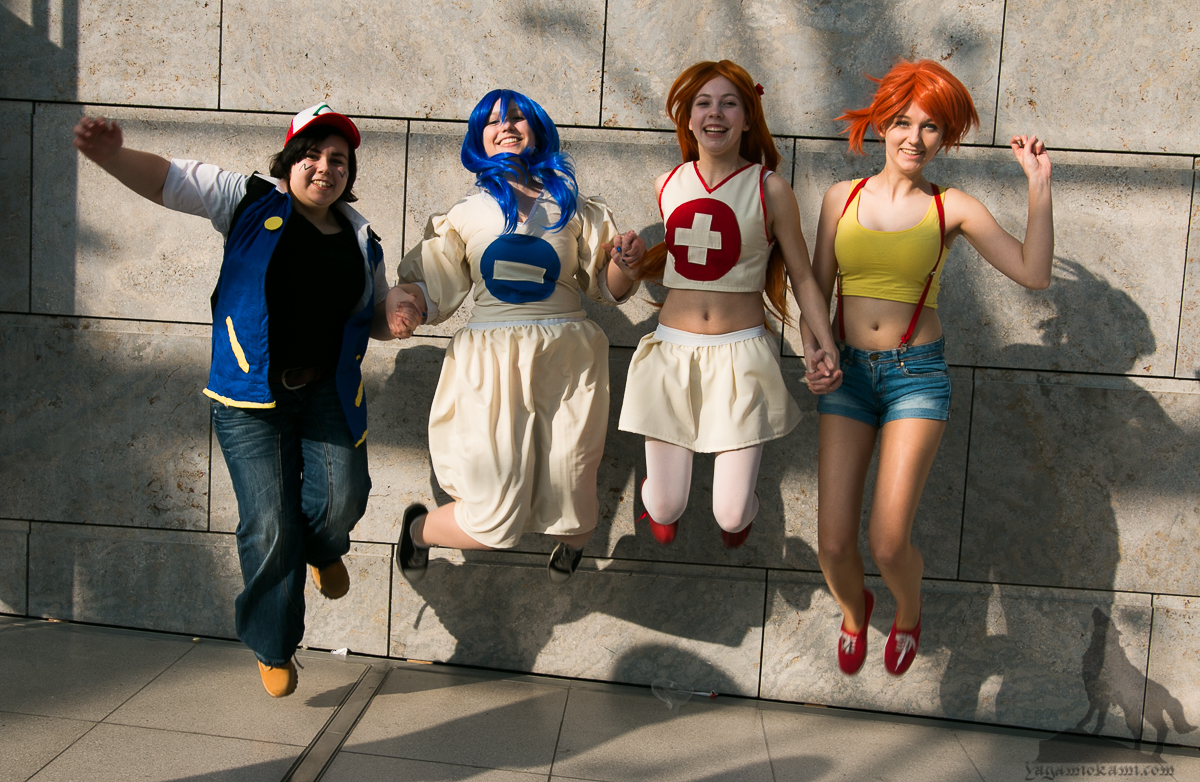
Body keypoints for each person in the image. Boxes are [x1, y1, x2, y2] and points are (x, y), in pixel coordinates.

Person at [72, 104, 395, 698]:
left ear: (349, 174)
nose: (325, 168)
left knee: (343, 499)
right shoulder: (246, 201)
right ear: (288, 161)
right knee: (269, 524)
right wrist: (113, 157)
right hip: (249, 395)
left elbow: (373, 317)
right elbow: (169, 180)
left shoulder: (361, 239)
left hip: (327, 391)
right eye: (312, 155)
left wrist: (397, 315)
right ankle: (274, 645)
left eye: (338, 160)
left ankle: (323, 548)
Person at [801, 59, 1054, 676]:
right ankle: (855, 611)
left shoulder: (952, 207)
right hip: (848, 377)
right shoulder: (841, 198)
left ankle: (908, 612)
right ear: (881, 125)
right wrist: (816, 354)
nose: (914, 138)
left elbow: (1033, 273)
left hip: (916, 378)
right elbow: (816, 293)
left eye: (931, 126)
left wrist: (1038, 185)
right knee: (832, 544)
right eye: (902, 122)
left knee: (889, 543)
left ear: (947, 137)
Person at [386, 89, 645, 585]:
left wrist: (625, 265)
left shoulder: (575, 208)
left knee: (575, 496)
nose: (505, 126)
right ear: (478, 138)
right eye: (492, 121)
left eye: (517, 118)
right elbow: (431, 284)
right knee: (492, 517)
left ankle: (574, 541)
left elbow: (608, 288)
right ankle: (419, 529)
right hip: (493, 366)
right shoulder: (466, 214)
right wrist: (408, 302)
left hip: (566, 361)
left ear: (538, 129)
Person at [619, 59, 841, 548]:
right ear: (687, 119)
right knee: (665, 506)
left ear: (747, 118)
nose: (715, 113)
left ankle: (741, 518)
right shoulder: (667, 183)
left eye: (728, 103)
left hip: (742, 356)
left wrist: (823, 344)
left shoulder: (769, 188)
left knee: (733, 513)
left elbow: (803, 276)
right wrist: (630, 260)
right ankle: (659, 500)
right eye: (703, 103)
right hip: (671, 353)